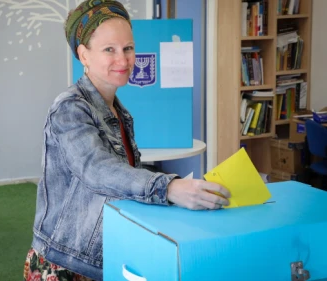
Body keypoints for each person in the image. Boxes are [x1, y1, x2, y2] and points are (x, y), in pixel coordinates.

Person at [23, 1, 231, 280]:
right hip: (66, 261)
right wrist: (168, 188)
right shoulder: (70, 108)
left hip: (106, 251)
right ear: (83, 54)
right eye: (109, 49)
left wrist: (183, 185)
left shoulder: (118, 110)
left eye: (128, 48)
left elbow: (126, 175)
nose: (123, 60)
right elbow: (97, 169)